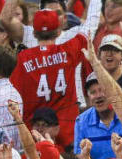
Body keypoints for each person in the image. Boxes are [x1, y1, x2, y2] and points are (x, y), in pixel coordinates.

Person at [10, 9, 91, 148]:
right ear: (58, 31)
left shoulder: (23, 58)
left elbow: (13, 96)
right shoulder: (68, 50)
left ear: (34, 33)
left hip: (34, 136)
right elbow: (90, 27)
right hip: (68, 135)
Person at [73, 72, 122, 159]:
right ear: (89, 98)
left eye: (103, 90)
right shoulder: (81, 122)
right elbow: (81, 158)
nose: (98, 96)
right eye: (93, 92)